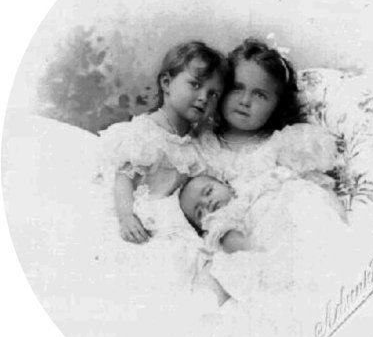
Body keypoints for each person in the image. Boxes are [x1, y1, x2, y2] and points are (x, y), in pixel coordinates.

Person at [98, 40, 228, 243]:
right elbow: (124, 178)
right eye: (195, 85)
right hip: (141, 214)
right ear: (166, 83)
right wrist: (126, 217)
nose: (204, 98)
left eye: (213, 94)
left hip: (173, 222)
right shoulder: (146, 133)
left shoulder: (198, 142)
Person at [179, 170, 349, 304]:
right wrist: (228, 236)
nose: (208, 202)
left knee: (297, 196)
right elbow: (234, 249)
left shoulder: (250, 188)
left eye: (209, 191)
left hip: (283, 215)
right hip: (263, 247)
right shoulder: (217, 227)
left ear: (226, 185)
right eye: (200, 211)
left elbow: (279, 180)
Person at [197, 37, 338, 192]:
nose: (245, 101)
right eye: (236, 88)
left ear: (277, 105)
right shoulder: (201, 140)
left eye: (259, 95)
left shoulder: (283, 146)